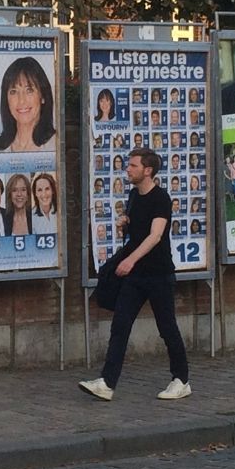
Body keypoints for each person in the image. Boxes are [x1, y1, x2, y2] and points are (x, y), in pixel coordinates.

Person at [79, 149, 190, 402]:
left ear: (147, 170)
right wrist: (125, 220)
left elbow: (155, 235)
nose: (127, 169)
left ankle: (181, 379)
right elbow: (138, 230)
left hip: (159, 274)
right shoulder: (133, 195)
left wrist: (130, 259)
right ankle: (107, 383)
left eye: (133, 165)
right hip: (136, 277)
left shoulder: (160, 198)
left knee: (167, 327)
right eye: (128, 165)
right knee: (120, 325)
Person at [0, 57, 56, 153]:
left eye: (29, 90)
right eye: (14, 92)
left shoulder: (56, 146)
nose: (21, 101)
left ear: (42, 96)